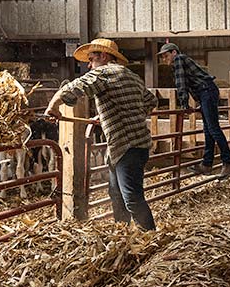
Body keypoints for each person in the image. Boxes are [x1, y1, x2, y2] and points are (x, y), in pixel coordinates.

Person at [46, 37, 159, 231]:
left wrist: (52, 107)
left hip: (126, 146)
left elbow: (73, 88)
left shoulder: (104, 73)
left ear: (104, 56)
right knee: (116, 193)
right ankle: (122, 233)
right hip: (134, 145)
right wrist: (113, 114)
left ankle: (151, 238)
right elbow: (151, 101)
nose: (89, 65)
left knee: (131, 198)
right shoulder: (131, 75)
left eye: (91, 59)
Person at [158, 42, 230, 178]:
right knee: (208, 130)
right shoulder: (183, 60)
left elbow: (181, 83)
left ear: (174, 52)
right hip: (206, 93)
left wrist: (183, 104)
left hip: (206, 92)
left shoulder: (179, 60)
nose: (165, 59)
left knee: (213, 129)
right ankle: (206, 164)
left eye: (166, 56)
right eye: (163, 57)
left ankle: (228, 163)